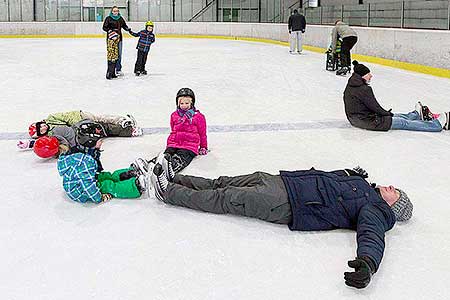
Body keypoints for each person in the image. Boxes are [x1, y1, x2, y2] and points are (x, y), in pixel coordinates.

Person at [148, 161, 413, 289]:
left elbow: (372, 236)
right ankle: (178, 179)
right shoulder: (366, 187)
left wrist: (367, 263)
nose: (391, 187)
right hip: (285, 181)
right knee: (223, 182)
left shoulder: (375, 211)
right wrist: (348, 173)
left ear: (394, 207)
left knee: (226, 198)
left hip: (289, 203)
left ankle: (168, 193)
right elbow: (328, 178)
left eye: (396, 193)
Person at [344, 61, 449, 132]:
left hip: (361, 119)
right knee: (403, 122)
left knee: (397, 116)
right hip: (369, 122)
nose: (371, 76)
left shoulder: (351, 86)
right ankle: (436, 125)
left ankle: (416, 115)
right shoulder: (364, 89)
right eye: (368, 74)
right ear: (362, 76)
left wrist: (388, 114)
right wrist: (387, 114)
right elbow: (375, 107)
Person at [57, 139, 148, 204]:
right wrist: (99, 198)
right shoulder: (85, 163)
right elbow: (87, 185)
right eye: (99, 141)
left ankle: (131, 172)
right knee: (107, 185)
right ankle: (136, 186)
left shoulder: (83, 156)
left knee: (106, 175)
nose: (101, 142)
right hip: (79, 190)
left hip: (80, 180)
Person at [102, 6, 131, 76]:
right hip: (111, 39)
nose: (115, 12)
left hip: (119, 39)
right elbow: (104, 27)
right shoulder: (108, 18)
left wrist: (128, 29)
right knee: (111, 54)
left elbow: (124, 25)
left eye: (117, 11)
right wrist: (110, 31)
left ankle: (118, 69)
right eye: (114, 11)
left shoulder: (120, 18)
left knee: (119, 54)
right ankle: (111, 70)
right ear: (111, 11)